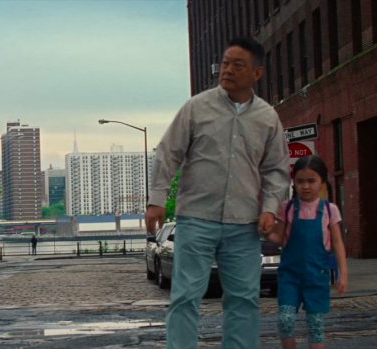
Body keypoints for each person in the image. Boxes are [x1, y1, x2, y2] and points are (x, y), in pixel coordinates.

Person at [145, 37, 290, 349]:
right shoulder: (197, 108)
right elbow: (168, 153)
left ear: (257, 73)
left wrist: (270, 208)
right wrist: (156, 200)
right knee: (185, 296)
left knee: (244, 300)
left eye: (238, 65)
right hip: (196, 218)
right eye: (225, 63)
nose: (228, 70)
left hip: (244, 224)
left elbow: (277, 170)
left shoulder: (267, 119)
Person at [264, 155, 348, 349]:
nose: (306, 186)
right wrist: (267, 234)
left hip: (316, 277)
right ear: (293, 182)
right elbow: (280, 239)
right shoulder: (287, 209)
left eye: (311, 181)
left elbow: (337, 243)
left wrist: (343, 273)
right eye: (300, 181)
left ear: (322, 182)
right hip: (289, 277)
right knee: (285, 320)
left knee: (316, 328)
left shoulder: (329, 209)